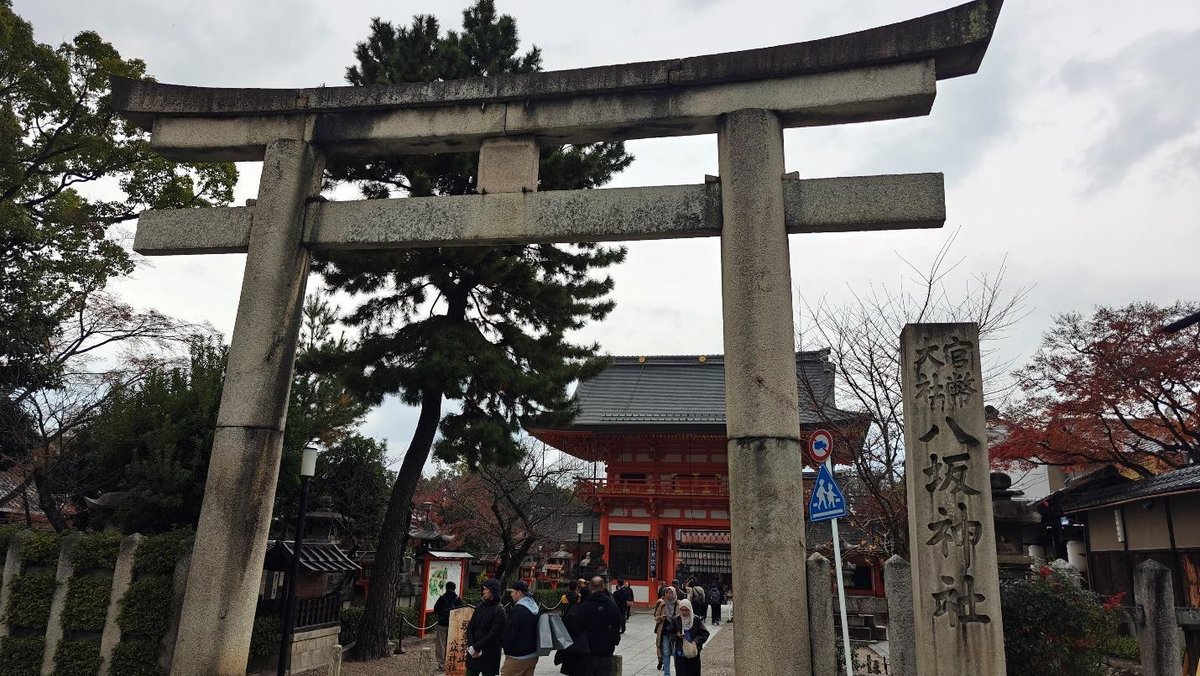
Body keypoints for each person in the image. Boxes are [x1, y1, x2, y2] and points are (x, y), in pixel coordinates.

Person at [575, 576, 622, 676]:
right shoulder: (612, 606)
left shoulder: (585, 606)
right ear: (603, 587)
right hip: (606, 651)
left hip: (587, 651)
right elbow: (617, 625)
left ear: (590, 587)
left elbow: (576, 628)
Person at [465, 579, 506, 676]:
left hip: (490, 652)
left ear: (493, 591)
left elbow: (494, 633)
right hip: (473, 651)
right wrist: (472, 646)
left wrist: (476, 647)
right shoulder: (480, 606)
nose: (483, 592)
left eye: (486, 589)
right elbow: (470, 627)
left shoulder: (500, 610)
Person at [501, 581, 540, 676]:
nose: (511, 594)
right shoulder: (535, 607)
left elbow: (511, 633)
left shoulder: (518, 610)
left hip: (517, 657)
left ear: (519, 593)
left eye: (512, 592)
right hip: (532, 655)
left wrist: (506, 649)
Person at [668, 598, 709, 676]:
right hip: (680, 652)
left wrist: (696, 641)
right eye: (682, 610)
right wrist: (677, 636)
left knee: (693, 672)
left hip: (693, 652)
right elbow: (670, 633)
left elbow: (704, 633)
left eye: (686, 610)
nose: (684, 612)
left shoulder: (696, 620)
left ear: (690, 609)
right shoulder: (676, 620)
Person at [434, 580, 464, 666]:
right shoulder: (458, 599)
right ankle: (450, 662)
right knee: (452, 643)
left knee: (441, 643)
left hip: (442, 624)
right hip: (453, 625)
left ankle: (441, 663)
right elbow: (461, 611)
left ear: (446, 588)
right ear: (455, 588)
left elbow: (436, 610)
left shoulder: (442, 598)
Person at [653, 586, 679, 674]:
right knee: (666, 652)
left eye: (671, 592)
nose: (669, 595)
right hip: (664, 631)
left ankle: (678, 672)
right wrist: (661, 618)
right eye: (667, 592)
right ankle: (667, 673)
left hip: (675, 632)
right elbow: (656, 617)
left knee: (676, 653)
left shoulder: (678, 604)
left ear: (674, 593)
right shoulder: (662, 604)